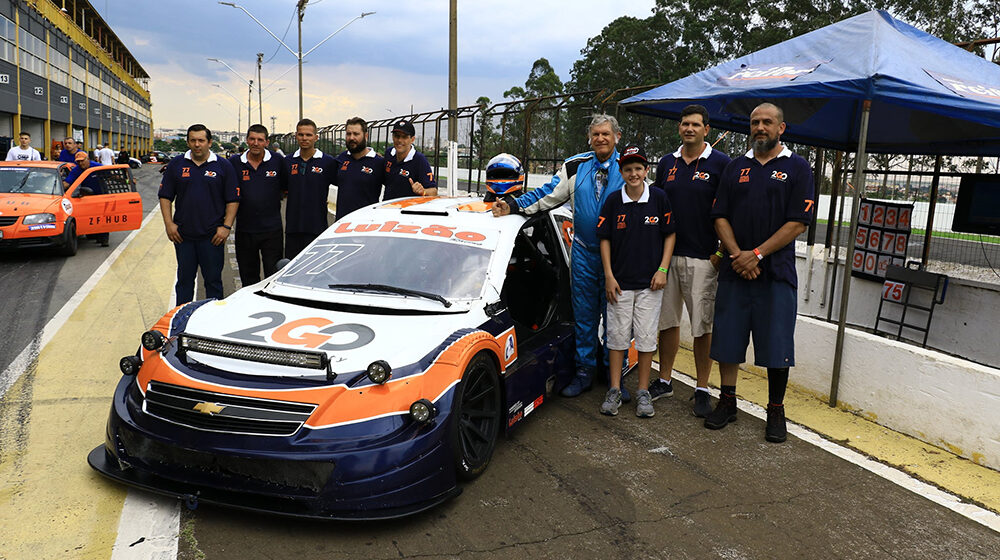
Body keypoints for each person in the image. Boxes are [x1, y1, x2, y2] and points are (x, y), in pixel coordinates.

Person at [493, 114, 625, 399]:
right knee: (585, 316)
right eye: (595, 134)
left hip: (620, 257)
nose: (600, 139)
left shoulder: (629, 164)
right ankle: (584, 372)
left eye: (606, 134)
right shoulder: (575, 165)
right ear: (590, 138)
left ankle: (614, 376)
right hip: (585, 253)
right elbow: (547, 194)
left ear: (617, 137)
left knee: (616, 317)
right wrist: (514, 205)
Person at [706, 102, 815, 443]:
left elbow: (798, 222)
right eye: (755, 122)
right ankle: (727, 401)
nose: (760, 127)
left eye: (768, 122)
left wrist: (757, 254)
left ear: (781, 128)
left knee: (777, 343)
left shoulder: (798, 168)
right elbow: (719, 215)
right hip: (735, 269)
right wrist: (738, 255)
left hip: (776, 272)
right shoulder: (735, 167)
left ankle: (776, 410)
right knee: (727, 339)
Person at [649, 104, 733, 417]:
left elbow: (729, 210)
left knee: (702, 327)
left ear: (706, 129)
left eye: (695, 125)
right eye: (684, 124)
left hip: (704, 259)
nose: (689, 129)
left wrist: (721, 252)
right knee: (668, 323)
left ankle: (701, 388)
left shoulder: (721, 163)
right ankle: (665, 379)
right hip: (667, 258)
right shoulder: (666, 162)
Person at [597, 145, 675, 418]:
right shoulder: (613, 201)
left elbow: (669, 235)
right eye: (628, 169)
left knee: (644, 339)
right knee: (617, 338)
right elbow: (604, 239)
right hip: (619, 283)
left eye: (638, 168)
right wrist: (608, 276)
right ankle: (615, 389)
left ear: (646, 171)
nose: (633, 174)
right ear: (621, 172)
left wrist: (663, 269)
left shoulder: (659, 198)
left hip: (650, 285)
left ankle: (643, 391)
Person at [158, 124, 239, 305]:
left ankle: (211, 324)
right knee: (185, 282)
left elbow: (233, 199)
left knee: (213, 283)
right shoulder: (176, 165)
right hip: (183, 236)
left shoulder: (223, 166)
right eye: (193, 140)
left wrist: (226, 227)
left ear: (209, 142)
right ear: (187, 142)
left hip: (213, 237)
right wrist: (169, 224)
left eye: (201, 140)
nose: (197, 144)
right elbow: (165, 197)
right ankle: (182, 325)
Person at [228, 124, 285, 285]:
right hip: (245, 230)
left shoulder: (278, 161)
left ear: (267, 142)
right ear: (247, 140)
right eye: (252, 139)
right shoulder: (234, 163)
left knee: (273, 277)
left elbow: (287, 187)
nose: (255, 143)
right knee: (248, 278)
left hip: (272, 231)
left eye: (260, 140)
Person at [284, 118, 337, 258]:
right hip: (293, 229)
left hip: (317, 229)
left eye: (308, 135)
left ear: (316, 137)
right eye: (301, 135)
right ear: (296, 136)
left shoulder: (328, 162)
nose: (304, 138)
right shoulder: (287, 162)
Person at [333, 117, 384, 220]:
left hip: (365, 226)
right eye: (348, 134)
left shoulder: (379, 162)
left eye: (356, 134)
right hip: (341, 224)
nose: (351, 138)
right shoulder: (340, 159)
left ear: (366, 136)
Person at [383, 119, 437, 200]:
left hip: (407, 210)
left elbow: (434, 191)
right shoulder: (389, 153)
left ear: (412, 139)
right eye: (397, 136)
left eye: (404, 137)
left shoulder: (419, 160)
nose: (400, 140)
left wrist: (423, 191)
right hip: (387, 208)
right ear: (393, 137)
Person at [64, 152, 109, 246]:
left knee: (103, 216)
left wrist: (129, 180)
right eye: (78, 162)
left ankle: (104, 239)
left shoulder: (97, 166)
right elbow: (67, 183)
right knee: (91, 216)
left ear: (88, 159)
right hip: (88, 195)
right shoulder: (76, 170)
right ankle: (94, 235)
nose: (80, 164)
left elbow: (113, 175)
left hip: (102, 194)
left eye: (82, 161)